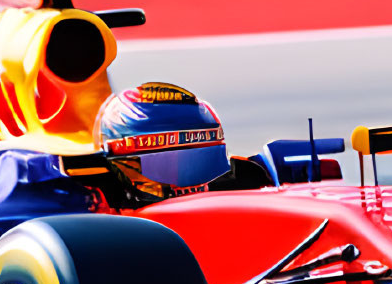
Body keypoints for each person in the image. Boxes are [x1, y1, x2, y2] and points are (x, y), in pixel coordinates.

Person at [93, 81, 269, 203]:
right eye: (162, 167)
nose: (181, 177)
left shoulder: (250, 181)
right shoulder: (98, 203)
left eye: (199, 162)